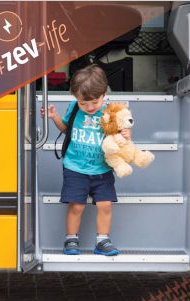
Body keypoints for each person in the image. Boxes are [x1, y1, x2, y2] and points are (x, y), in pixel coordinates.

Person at [41, 64, 130, 256]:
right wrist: (54, 116)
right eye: (83, 103)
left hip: (102, 169)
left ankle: (102, 240)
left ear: (104, 94)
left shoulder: (111, 113)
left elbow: (119, 139)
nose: (89, 107)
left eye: (94, 102)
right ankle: (71, 239)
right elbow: (66, 129)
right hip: (75, 167)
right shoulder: (74, 109)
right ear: (76, 98)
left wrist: (125, 133)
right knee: (77, 205)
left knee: (105, 204)